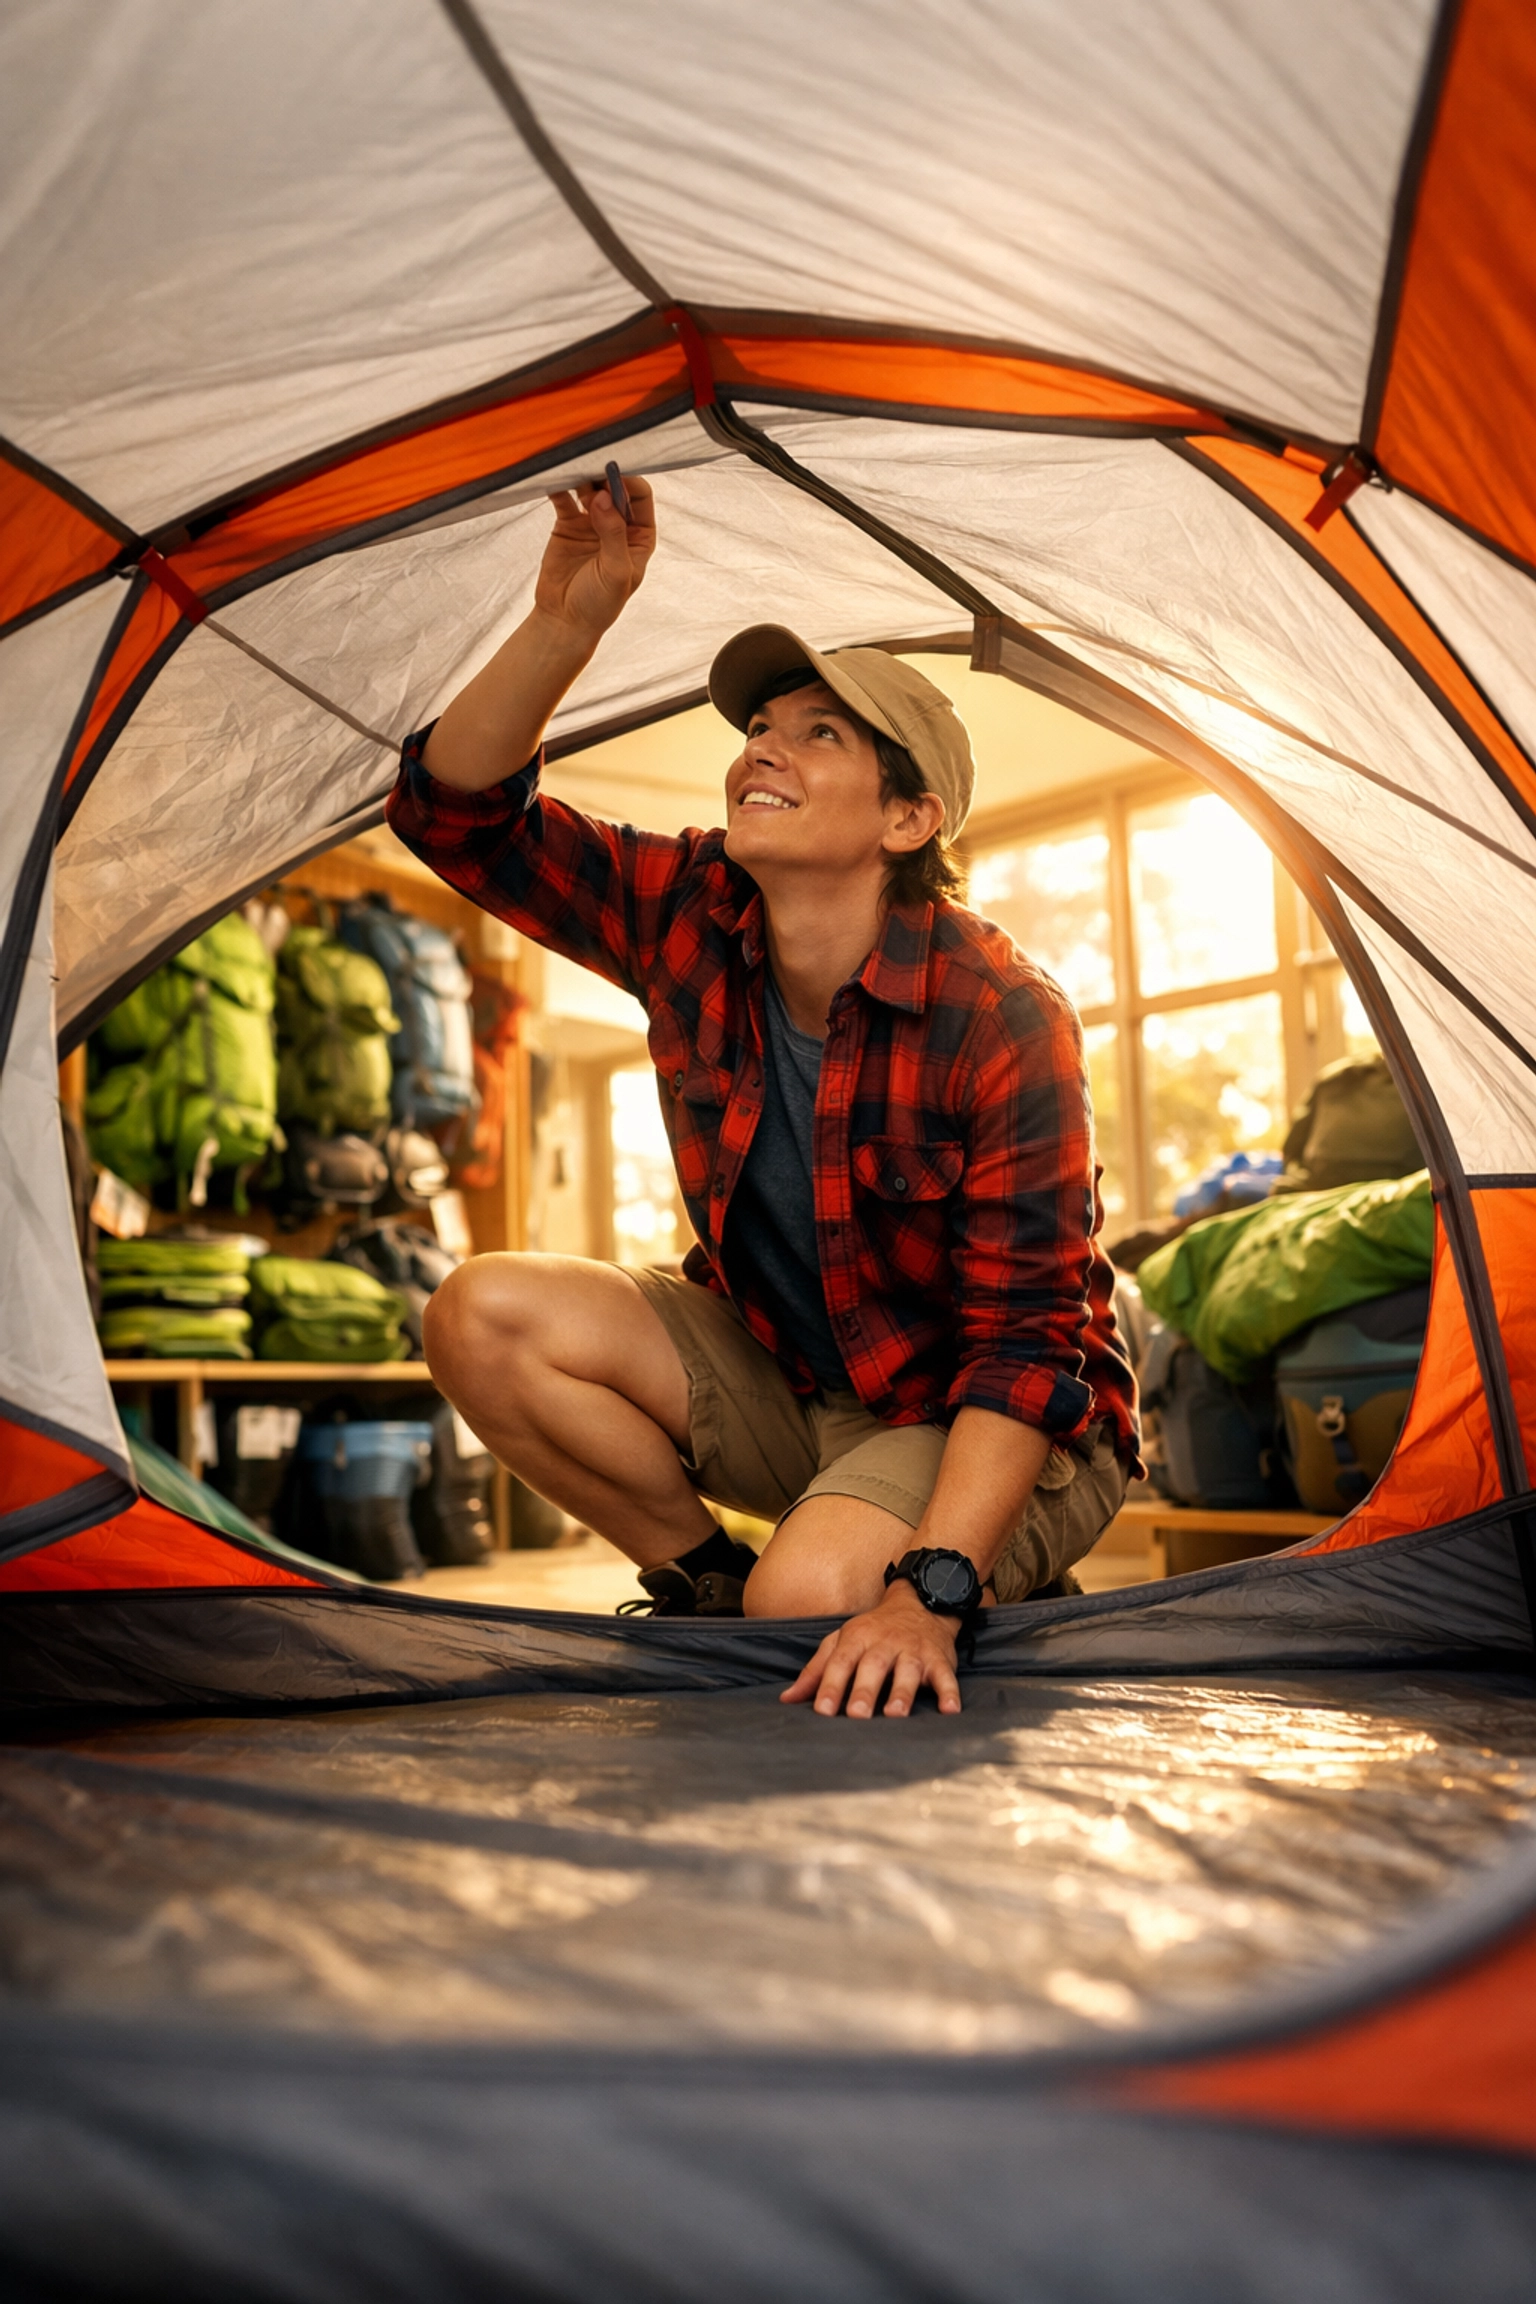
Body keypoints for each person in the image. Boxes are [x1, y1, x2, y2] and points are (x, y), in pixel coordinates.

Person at [386, 473, 1139, 1720]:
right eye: (759, 728)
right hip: (802, 1378)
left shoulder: (1003, 1014)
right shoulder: (691, 908)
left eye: (817, 734)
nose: (760, 751)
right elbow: (455, 816)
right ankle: (711, 1588)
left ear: (910, 816)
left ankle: (926, 1574)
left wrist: (931, 1590)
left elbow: (1022, 1352)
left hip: (990, 1420)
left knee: (825, 1603)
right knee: (479, 1313)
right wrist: (569, 624)